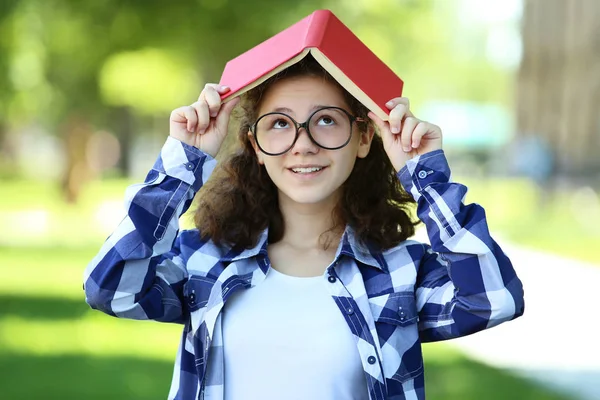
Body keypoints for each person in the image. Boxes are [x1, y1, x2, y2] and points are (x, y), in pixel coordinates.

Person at [83, 55, 524, 400]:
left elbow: (493, 299)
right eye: (279, 125)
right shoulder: (204, 260)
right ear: (255, 145)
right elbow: (111, 288)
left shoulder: (399, 273)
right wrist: (184, 164)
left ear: (365, 137)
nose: (303, 144)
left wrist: (423, 173)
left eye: (326, 120)